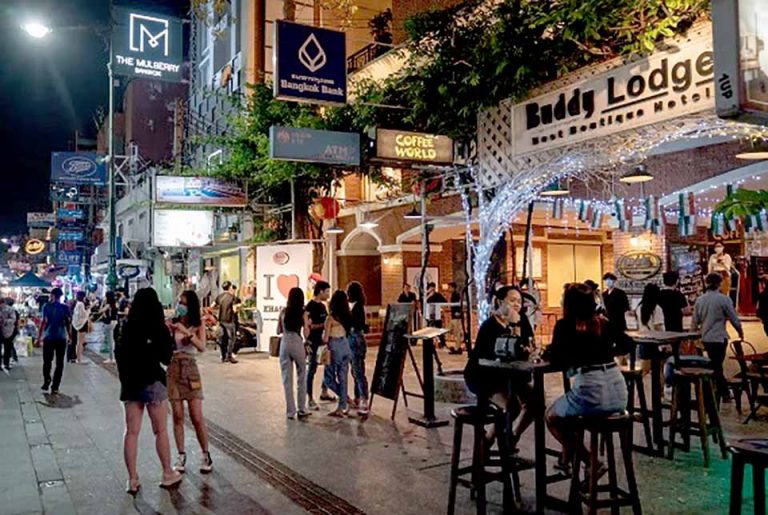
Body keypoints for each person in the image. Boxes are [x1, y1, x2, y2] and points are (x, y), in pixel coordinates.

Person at [544, 283, 631, 472]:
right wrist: (606, 353)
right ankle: (565, 461)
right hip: (619, 390)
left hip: (591, 389)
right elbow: (628, 344)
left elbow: (557, 359)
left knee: (552, 417)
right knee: (569, 414)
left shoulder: (565, 326)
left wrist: (575, 357)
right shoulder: (603, 322)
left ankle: (591, 461)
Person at [115, 288, 182, 494]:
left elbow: (119, 355)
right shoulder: (158, 327)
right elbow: (166, 358)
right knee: (160, 430)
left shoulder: (124, 327)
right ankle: (167, 473)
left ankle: (132, 479)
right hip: (153, 381)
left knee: (131, 432)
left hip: (130, 384)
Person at [464, 286, 536, 449]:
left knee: (536, 401)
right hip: (485, 377)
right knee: (512, 406)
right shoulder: (489, 326)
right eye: (512, 301)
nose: (516, 305)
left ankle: (514, 436)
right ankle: (487, 441)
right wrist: (513, 329)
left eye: (519, 301)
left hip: (513, 375)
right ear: (499, 302)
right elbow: (496, 355)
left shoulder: (522, 320)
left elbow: (529, 345)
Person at [167, 290, 213, 474]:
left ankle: (205, 453)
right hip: (173, 368)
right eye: (180, 302)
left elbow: (202, 347)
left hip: (190, 369)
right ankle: (181, 455)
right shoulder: (173, 322)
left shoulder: (198, 323)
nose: (180, 305)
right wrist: (170, 331)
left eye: (184, 303)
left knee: (196, 416)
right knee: (177, 415)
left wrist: (186, 332)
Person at [691, 272, 744, 401]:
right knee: (716, 366)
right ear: (719, 284)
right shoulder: (724, 299)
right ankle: (721, 391)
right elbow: (734, 318)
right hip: (719, 337)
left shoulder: (700, 300)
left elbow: (695, 321)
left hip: (705, 337)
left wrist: (693, 337)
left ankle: (714, 390)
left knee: (713, 365)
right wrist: (740, 332)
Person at [277, 287, 310, 420]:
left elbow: (278, 330)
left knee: (287, 379)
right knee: (302, 375)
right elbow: (306, 333)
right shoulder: (303, 313)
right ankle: (302, 409)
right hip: (297, 342)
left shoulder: (283, 312)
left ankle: (290, 411)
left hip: (285, 343)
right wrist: (307, 324)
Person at [323, 290, 353, 417]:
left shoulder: (330, 318)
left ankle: (345, 399)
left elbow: (325, 338)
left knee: (329, 379)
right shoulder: (347, 317)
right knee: (343, 378)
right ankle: (341, 407)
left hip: (334, 347)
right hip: (345, 346)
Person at [306, 281, 335, 409]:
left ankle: (324, 391)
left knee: (328, 366)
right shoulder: (310, 307)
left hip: (324, 341)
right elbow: (309, 326)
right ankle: (310, 398)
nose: (328, 294)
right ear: (321, 291)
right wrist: (323, 325)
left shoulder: (323, 306)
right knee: (312, 369)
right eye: (327, 291)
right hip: (314, 342)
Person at [38, 288, 71, 394]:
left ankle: (47, 380)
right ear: (61, 296)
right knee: (59, 363)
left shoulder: (46, 306)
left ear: (52, 295)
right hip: (61, 337)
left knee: (47, 361)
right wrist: (70, 336)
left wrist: (39, 337)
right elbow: (68, 323)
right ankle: (55, 386)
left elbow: (43, 322)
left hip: (49, 337)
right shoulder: (65, 308)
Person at [347, 281, 370, 415]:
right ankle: (358, 397)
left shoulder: (357, 307)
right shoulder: (358, 306)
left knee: (358, 371)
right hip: (357, 339)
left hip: (355, 340)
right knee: (356, 370)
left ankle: (363, 399)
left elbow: (357, 324)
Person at [212, 281, 239, 364]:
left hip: (221, 321)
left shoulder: (219, 297)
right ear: (230, 287)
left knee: (223, 339)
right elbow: (234, 310)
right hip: (230, 321)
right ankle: (229, 356)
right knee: (231, 339)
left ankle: (223, 357)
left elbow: (212, 306)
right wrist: (239, 307)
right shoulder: (232, 297)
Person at [426, 282, 448, 348]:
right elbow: (424, 302)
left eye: (433, 288)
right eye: (431, 288)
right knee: (430, 329)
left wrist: (442, 308)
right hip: (429, 315)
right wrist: (428, 296)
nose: (432, 289)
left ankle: (442, 343)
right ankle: (430, 343)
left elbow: (445, 302)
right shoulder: (427, 295)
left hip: (437, 314)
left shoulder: (438, 295)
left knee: (439, 329)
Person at [99, 291, 119, 363]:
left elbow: (100, 311)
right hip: (115, 322)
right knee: (113, 340)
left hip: (109, 323)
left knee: (110, 341)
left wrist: (102, 303)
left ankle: (111, 358)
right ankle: (113, 357)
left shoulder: (108, 305)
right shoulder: (116, 303)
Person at [70, 291, 89, 364]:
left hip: (76, 324)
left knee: (79, 342)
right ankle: (79, 359)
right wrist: (88, 311)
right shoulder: (81, 304)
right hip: (81, 324)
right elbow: (84, 315)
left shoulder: (76, 303)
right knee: (80, 342)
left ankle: (78, 358)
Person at [0, 298, 17, 372]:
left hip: (8, 331)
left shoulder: (10, 309)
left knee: (7, 348)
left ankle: (6, 364)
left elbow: (13, 319)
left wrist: (4, 321)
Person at [447, 282, 464, 355]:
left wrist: (458, 312)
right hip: (453, 316)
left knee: (457, 333)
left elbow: (459, 304)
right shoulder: (453, 295)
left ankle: (457, 348)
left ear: (453, 288)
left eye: (450, 287)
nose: (449, 289)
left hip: (456, 316)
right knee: (449, 330)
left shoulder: (456, 295)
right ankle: (454, 346)